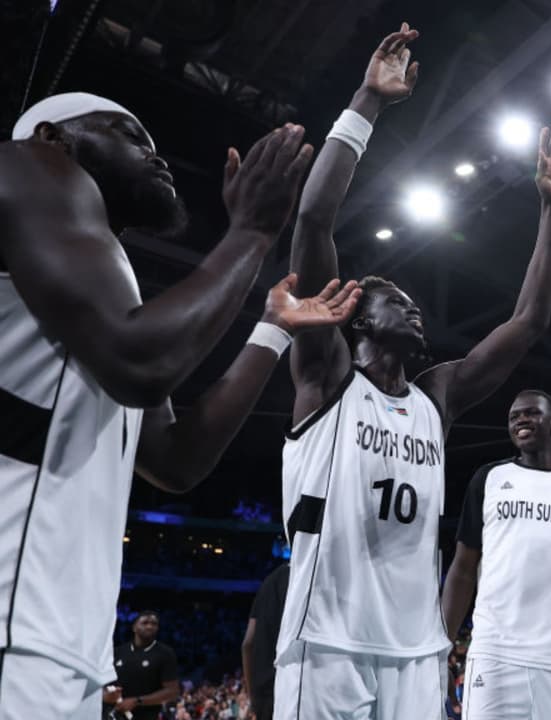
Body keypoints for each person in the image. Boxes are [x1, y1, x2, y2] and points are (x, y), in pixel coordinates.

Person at [0, 73, 361, 717]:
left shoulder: (100, 279)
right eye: (128, 132)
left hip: (59, 638)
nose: (155, 152)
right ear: (56, 137)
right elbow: (141, 361)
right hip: (13, 621)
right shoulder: (24, 163)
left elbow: (173, 459)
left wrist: (273, 328)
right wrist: (250, 232)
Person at [273, 25, 551, 719]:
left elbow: (527, 323)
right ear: (355, 318)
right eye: (395, 302)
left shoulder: (436, 396)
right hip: (328, 639)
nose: (413, 311)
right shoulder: (327, 376)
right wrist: (367, 103)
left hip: (416, 647)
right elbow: (315, 222)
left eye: (414, 304)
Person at [440, 390, 551, 719]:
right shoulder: (489, 479)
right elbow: (463, 568)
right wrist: (442, 644)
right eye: (514, 416)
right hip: (496, 652)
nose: (521, 419)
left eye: (531, 413)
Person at [101, 612, 179, 720]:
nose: (149, 626)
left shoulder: (165, 653)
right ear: (134, 627)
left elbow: (172, 692)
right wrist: (105, 695)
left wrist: (137, 701)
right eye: (145, 623)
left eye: (154, 624)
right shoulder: (118, 651)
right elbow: (103, 683)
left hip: (145, 716)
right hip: (111, 714)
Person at [242, 563, 289, 720]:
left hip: (264, 696)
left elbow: (248, 643)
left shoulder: (270, 580)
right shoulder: (315, 575)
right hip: (293, 690)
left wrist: (252, 697)